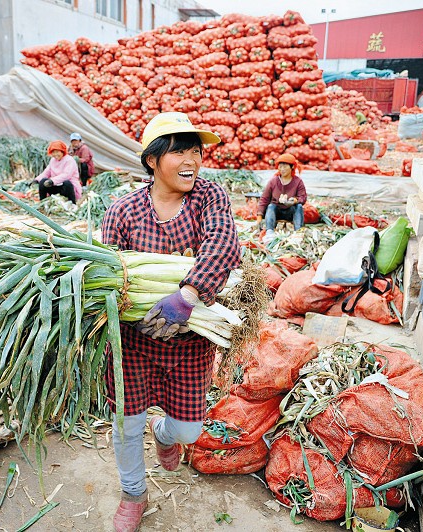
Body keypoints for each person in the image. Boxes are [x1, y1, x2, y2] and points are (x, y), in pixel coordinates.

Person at [101, 112, 241, 532]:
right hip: (133, 341)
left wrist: (188, 295)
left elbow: (223, 244)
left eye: (196, 150)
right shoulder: (123, 211)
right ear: (152, 160)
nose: (191, 160)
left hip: (191, 340)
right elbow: (104, 275)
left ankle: (165, 434)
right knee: (126, 425)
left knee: (188, 430)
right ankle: (133, 493)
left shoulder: (209, 197)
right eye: (179, 150)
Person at [257, 153, 307, 242]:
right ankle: (269, 232)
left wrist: (294, 200)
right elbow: (264, 199)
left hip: (290, 212)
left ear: (292, 167)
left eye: (285, 167)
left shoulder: (298, 182)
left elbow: (303, 197)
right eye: (280, 167)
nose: (282, 169)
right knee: (271, 206)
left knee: (298, 206)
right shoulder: (273, 181)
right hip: (277, 212)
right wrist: (259, 217)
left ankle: (298, 232)